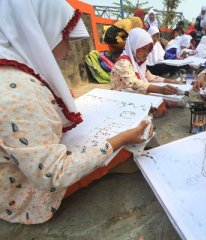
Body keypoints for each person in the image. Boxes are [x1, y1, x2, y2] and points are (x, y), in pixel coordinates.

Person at [0, 0, 152, 224]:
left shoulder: (13, 73)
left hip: (19, 172)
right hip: (21, 195)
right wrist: (121, 138)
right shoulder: (20, 94)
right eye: (65, 40)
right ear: (39, 33)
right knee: (129, 145)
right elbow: (55, 174)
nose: (70, 51)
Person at [111, 28, 178, 96]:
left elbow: (150, 77)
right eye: (143, 49)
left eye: (148, 50)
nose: (146, 53)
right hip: (120, 97)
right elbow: (134, 83)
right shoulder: (123, 62)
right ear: (134, 45)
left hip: (131, 95)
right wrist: (161, 90)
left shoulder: (138, 62)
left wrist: (171, 81)